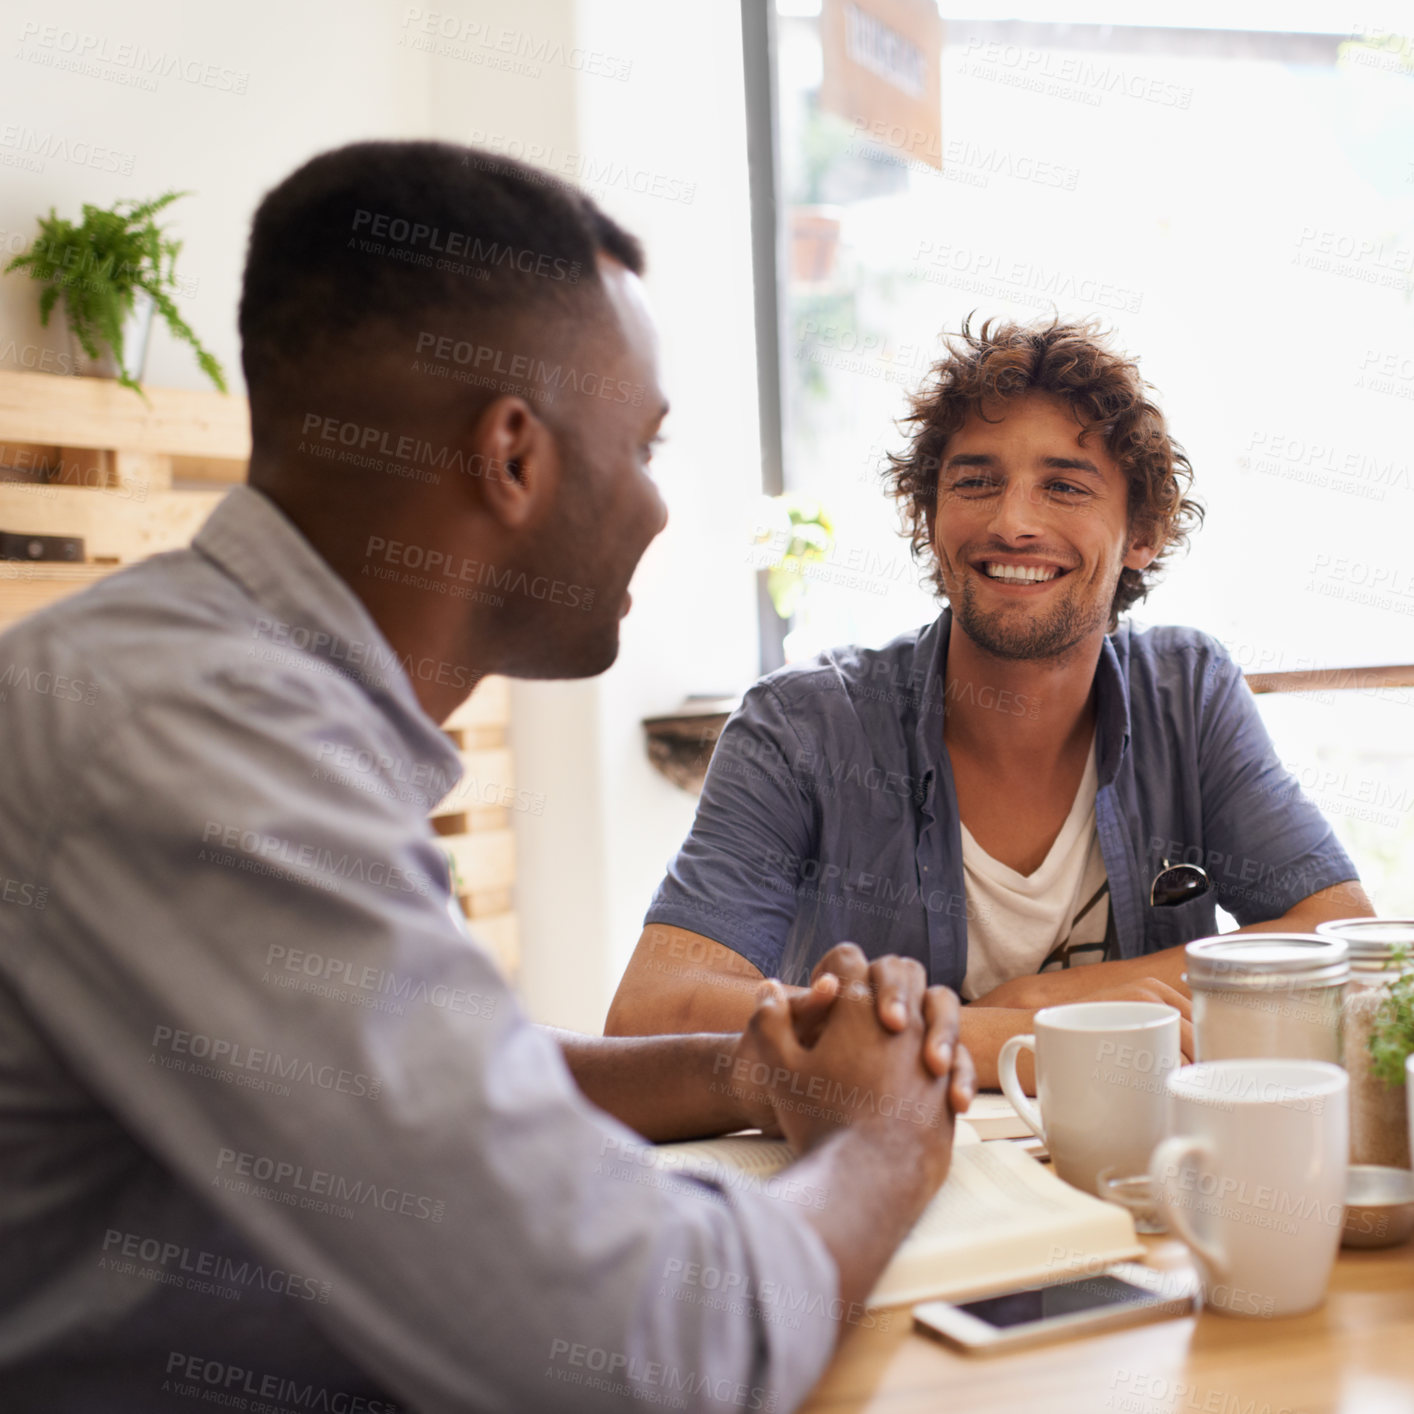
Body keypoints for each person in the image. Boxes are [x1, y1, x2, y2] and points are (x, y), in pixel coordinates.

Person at [0, 142, 977, 1413]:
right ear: (511, 456)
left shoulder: (221, 688)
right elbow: (646, 1353)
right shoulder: (198, 743)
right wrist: (884, 1139)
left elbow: (446, 1070)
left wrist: (745, 1070)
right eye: (645, 445)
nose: (658, 507)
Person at [606, 318, 1374, 1085]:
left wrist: (1047, 995)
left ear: (1140, 533)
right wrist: (1023, 1036)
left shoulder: (1188, 693)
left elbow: (1343, 940)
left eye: (1065, 487)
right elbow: (654, 1012)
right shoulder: (803, 727)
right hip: (890, 1189)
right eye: (975, 481)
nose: (1013, 523)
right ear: (929, 517)